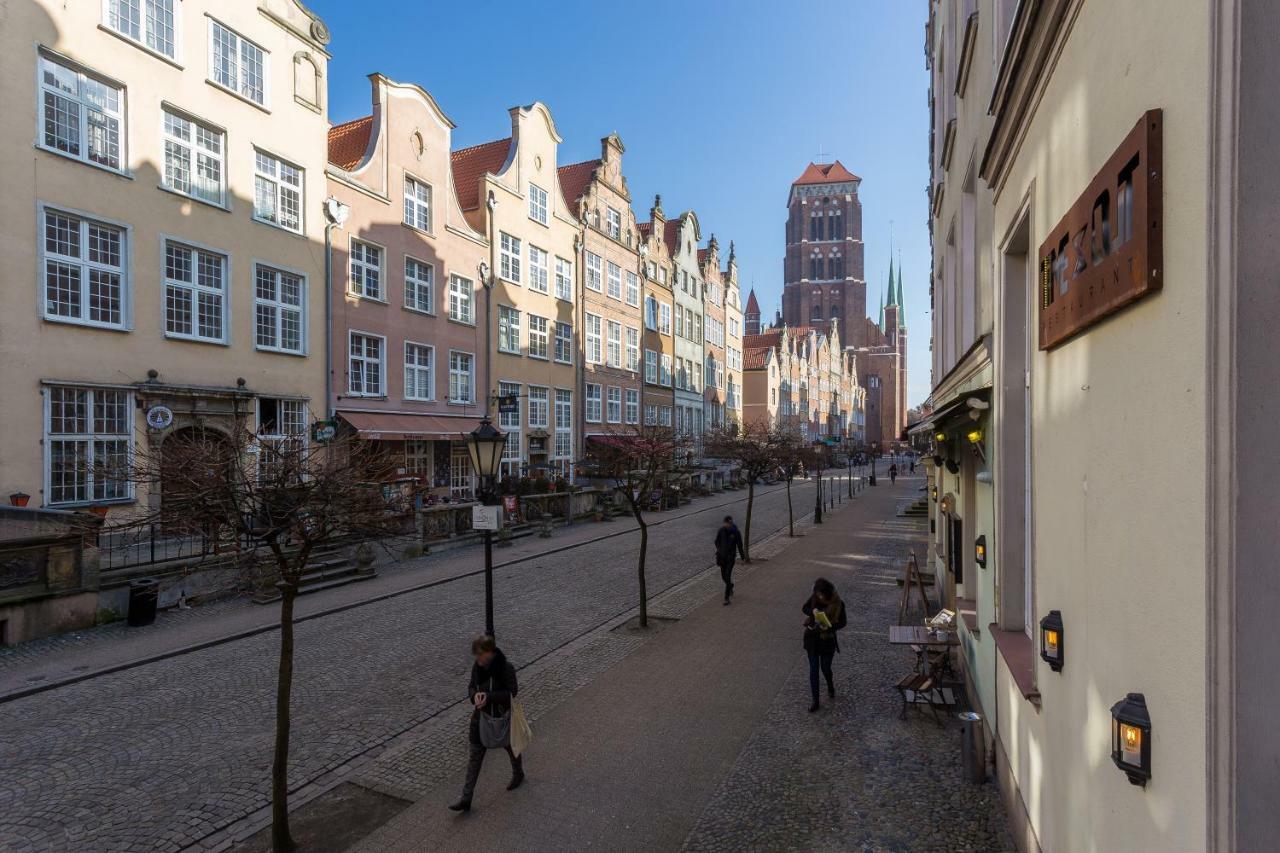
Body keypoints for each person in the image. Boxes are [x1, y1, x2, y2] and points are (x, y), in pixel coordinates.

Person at [449, 635, 524, 813]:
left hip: (501, 718)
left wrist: (489, 697)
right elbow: (471, 686)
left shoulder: (506, 668)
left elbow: (511, 693)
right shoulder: (478, 668)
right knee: (475, 757)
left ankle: (518, 773)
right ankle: (466, 799)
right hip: (480, 719)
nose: (477, 659)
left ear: (490, 653)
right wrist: (474, 695)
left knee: (511, 747)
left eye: (480, 655)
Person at [802, 578, 847, 712]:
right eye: (817, 594)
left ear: (827, 594)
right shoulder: (815, 597)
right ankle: (815, 700)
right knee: (813, 669)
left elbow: (843, 623)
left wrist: (829, 627)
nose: (818, 596)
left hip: (827, 640)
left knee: (825, 668)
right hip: (812, 638)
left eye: (821, 594)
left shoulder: (839, 604)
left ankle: (830, 684)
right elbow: (804, 607)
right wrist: (813, 613)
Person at [714, 515, 747, 605]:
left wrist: (743, 557)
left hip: (730, 558)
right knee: (724, 577)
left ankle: (726, 598)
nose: (728, 525)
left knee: (727, 576)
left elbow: (740, 545)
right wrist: (719, 549)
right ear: (724, 523)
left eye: (730, 523)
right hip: (722, 557)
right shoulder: (721, 530)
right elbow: (716, 541)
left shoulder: (736, 532)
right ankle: (730, 585)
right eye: (727, 523)